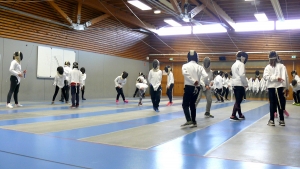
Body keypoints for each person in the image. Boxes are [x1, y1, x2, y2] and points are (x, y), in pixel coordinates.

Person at [181, 50, 207, 128]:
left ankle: (189, 120)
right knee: (192, 104)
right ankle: (194, 121)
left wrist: (193, 81)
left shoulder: (185, 66)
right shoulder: (200, 67)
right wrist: (199, 82)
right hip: (197, 88)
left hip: (189, 87)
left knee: (185, 104)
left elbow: (185, 74)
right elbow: (205, 76)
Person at [263, 51, 289, 126]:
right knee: (279, 103)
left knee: (273, 104)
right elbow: (286, 78)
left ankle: (272, 120)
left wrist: (285, 87)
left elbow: (265, 77)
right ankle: (281, 120)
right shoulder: (281, 66)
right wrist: (286, 87)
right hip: (277, 87)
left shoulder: (276, 66)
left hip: (274, 87)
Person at [230, 51, 248, 121]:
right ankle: (233, 115)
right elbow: (242, 75)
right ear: (242, 58)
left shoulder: (233, 64)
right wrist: (245, 84)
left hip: (234, 84)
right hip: (239, 84)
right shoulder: (241, 64)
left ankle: (240, 114)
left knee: (238, 100)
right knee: (239, 100)